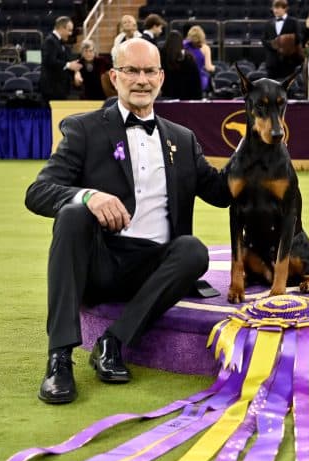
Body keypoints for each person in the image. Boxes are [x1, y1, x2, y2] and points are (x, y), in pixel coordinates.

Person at [25, 38, 232, 405]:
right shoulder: (84, 129)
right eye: (131, 71)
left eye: (149, 71)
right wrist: (88, 195)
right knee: (73, 213)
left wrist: (258, 147)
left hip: (153, 267)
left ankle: (114, 342)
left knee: (193, 251)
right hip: (101, 262)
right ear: (114, 77)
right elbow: (38, 192)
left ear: (161, 77)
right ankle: (59, 359)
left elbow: (222, 192)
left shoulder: (183, 140)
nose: (141, 80)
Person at [40, 16, 82, 101]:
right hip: (51, 89)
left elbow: (65, 61)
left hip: (59, 89)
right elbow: (49, 61)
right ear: (62, 28)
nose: (70, 34)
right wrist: (69, 65)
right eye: (69, 30)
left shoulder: (59, 42)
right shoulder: (50, 41)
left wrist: (75, 68)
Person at [262, 0, 303, 80]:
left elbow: (299, 38)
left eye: (278, 8)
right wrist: (273, 45)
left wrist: (285, 42)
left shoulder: (293, 22)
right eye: (274, 8)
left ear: (285, 8)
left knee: (288, 87)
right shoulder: (268, 23)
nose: (275, 10)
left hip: (289, 62)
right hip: (272, 62)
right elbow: (263, 39)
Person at [161, 30, 203, 100]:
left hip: (166, 98)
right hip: (187, 99)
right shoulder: (189, 58)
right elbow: (196, 81)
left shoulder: (161, 57)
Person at [184, 25, 215, 94]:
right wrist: (214, 68)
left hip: (184, 80)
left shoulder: (183, 46)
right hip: (199, 80)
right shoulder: (205, 48)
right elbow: (208, 68)